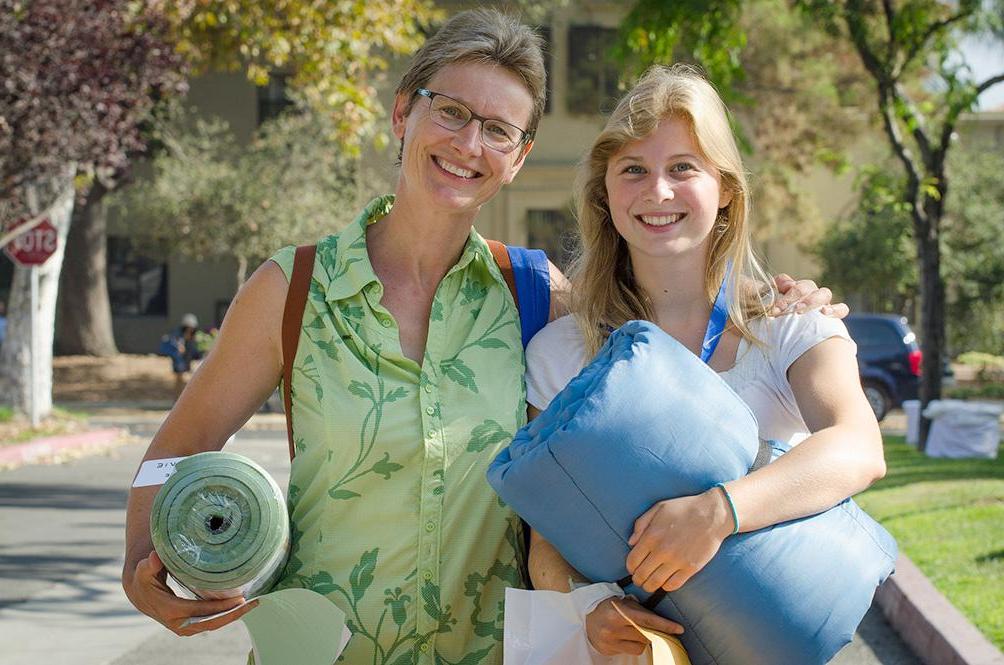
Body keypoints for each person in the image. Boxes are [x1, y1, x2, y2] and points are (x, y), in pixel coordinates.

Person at [122, 12, 841, 665]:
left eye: (498, 130)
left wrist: (772, 298)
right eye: (453, 112)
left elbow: (652, 351)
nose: (469, 144)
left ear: (519, 156)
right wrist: (139, 568)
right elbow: (174, 454)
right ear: (404, 112)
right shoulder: (293, 290)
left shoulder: (537, 295)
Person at [523, 64, 886, 658]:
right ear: (604, 193)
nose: (657, 191)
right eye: (633, 170)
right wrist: (588, 607)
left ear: (726, 191)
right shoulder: (561, 351)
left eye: (683, 168)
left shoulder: (791, 324)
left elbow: (858, 447)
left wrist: (720, 512)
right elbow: (547, 537)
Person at [159, 313, 203, 398]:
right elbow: (172, 345)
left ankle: (183, 398)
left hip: (187, 360)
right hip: (179, 360)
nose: (191, 329)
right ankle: (177, 399)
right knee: (180, 381)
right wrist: (178, 347)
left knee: (186, 381)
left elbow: (193, 350)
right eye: (189, 327)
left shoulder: (193, 337)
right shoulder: (177, 335)